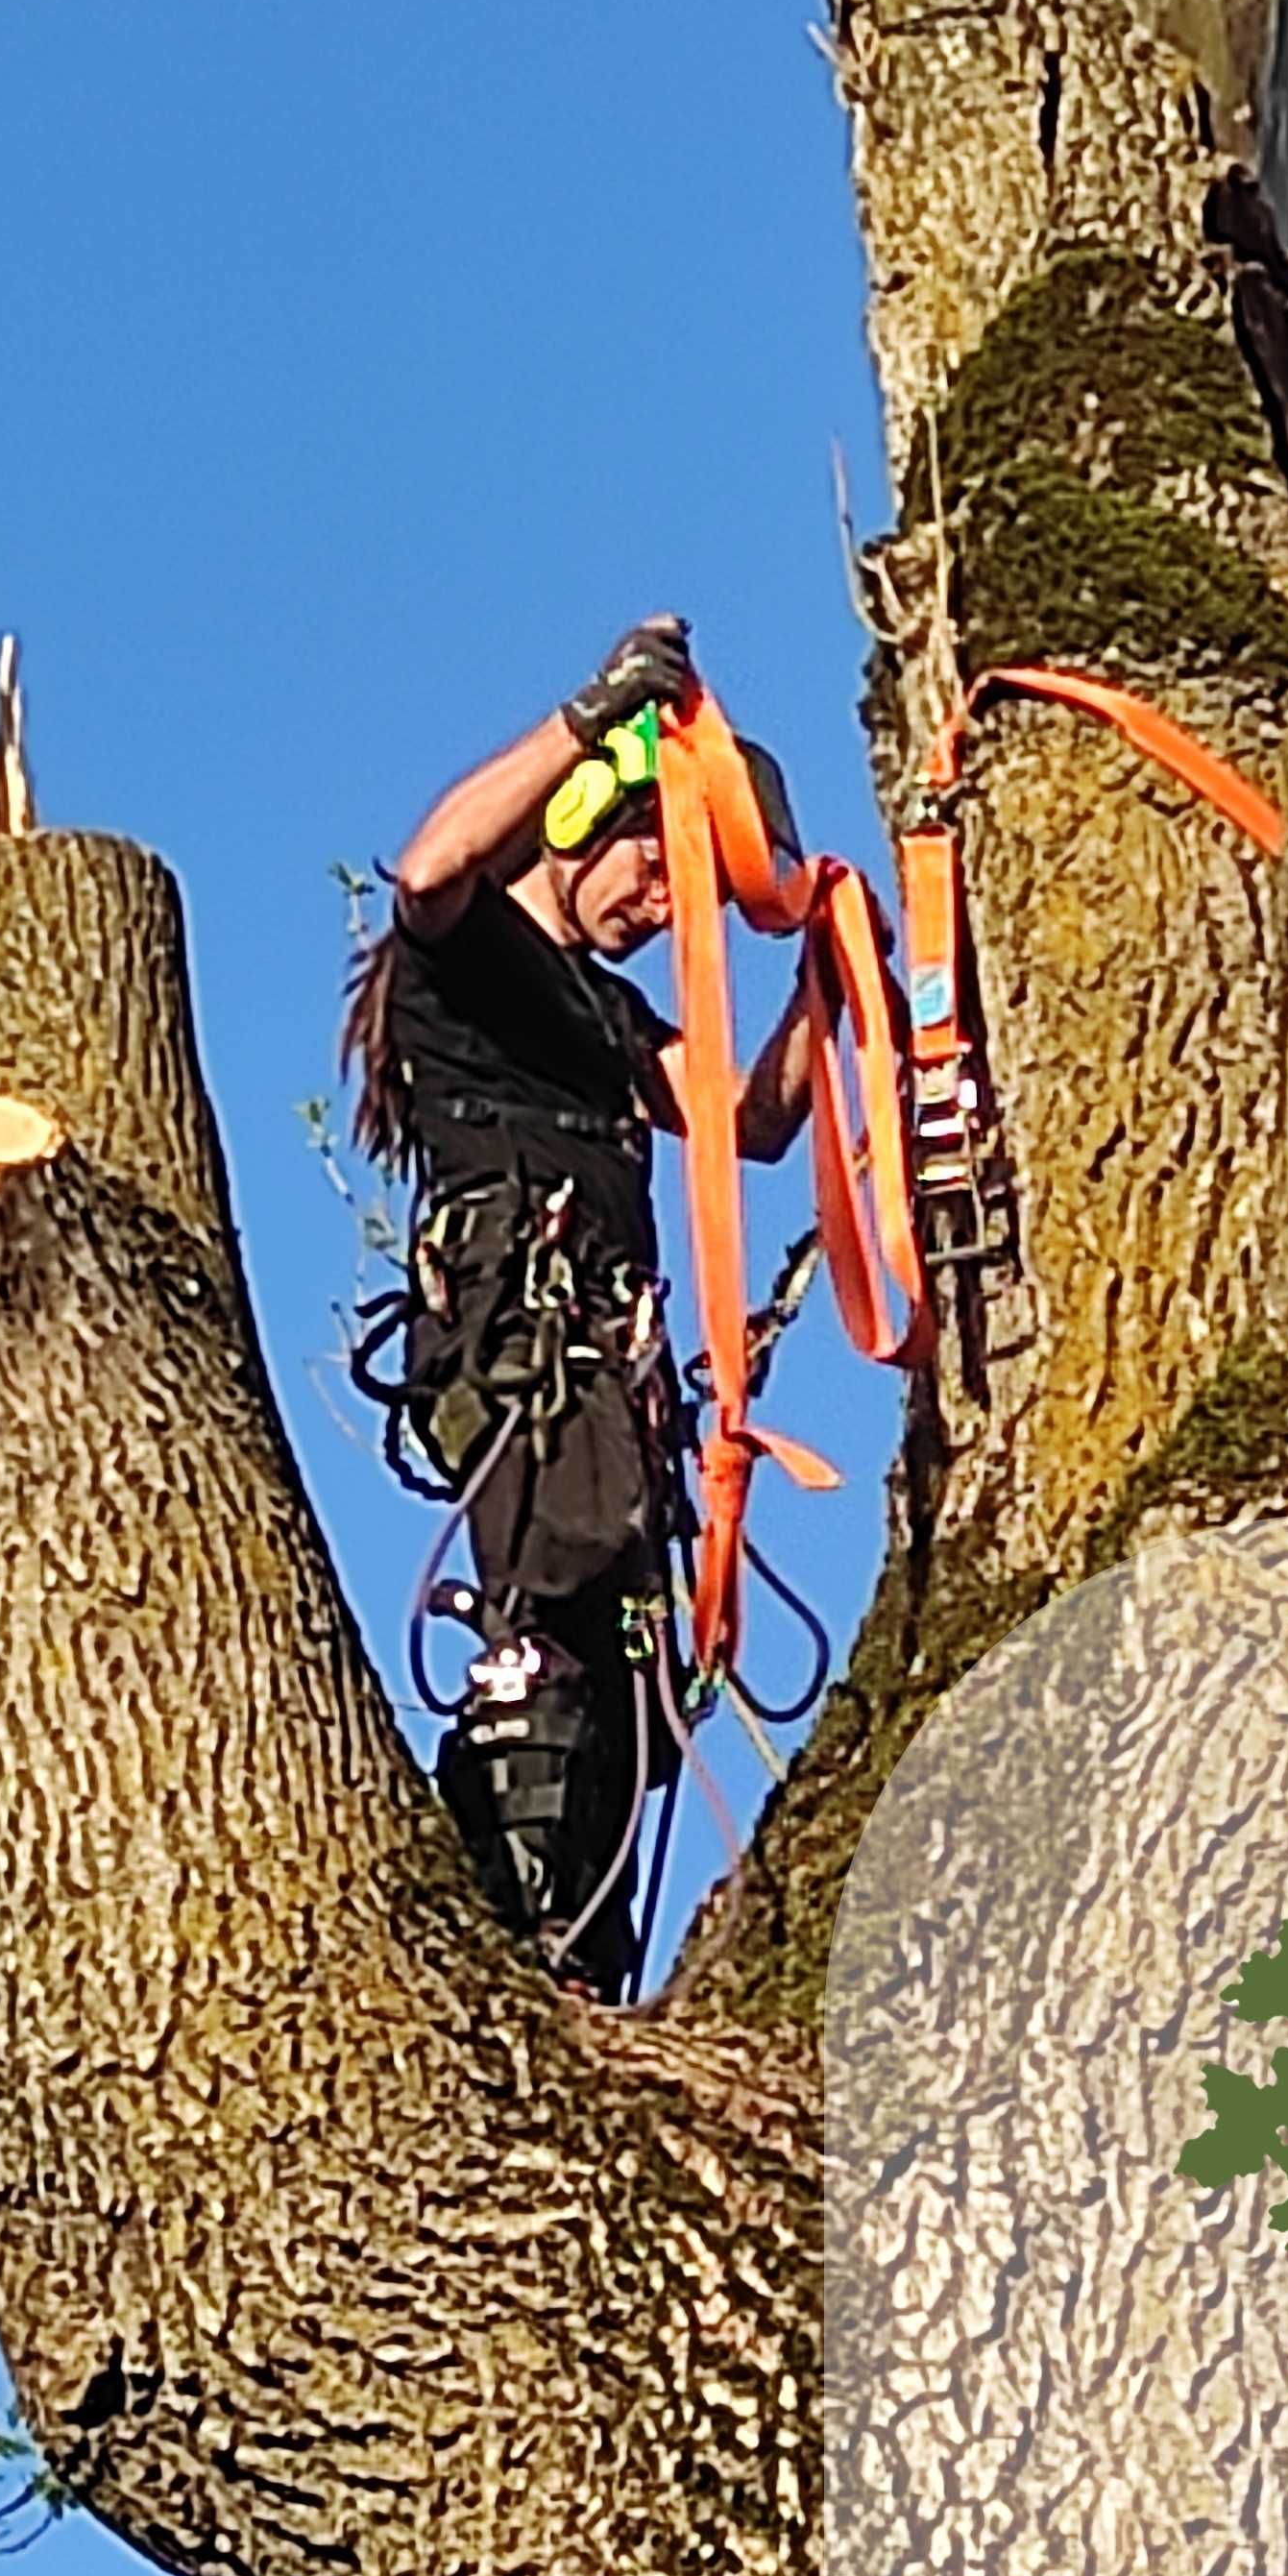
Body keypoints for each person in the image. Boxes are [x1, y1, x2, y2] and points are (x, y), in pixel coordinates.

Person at [345, 616, 813, 1996]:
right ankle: (523, 1930)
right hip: (532, 1359)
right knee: (549, 1641)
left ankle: (585, 1958)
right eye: (659, 870)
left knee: (624, 1672)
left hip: (610, 1380)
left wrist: (830, 975)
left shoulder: (608, 1021)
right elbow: (429, 869)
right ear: (585, 818)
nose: (665, 911)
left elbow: (747, 1122)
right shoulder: (474, 958)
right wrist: (594, 715)